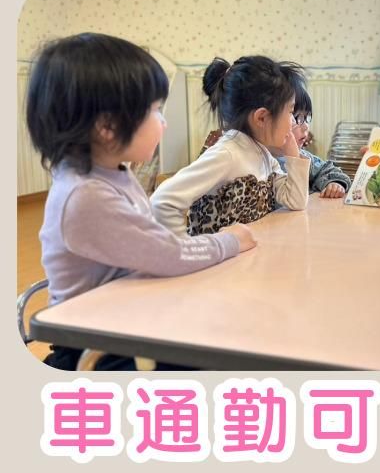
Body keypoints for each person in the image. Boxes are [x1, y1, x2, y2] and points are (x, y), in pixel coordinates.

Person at [25, 32, 256, 370]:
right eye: (155, 111)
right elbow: (168, 254)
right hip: (97, 346)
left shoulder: (112, 173)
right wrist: (229, 241)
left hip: (128, 318)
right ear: (107, 126)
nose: (164, 122)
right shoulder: (85, 195)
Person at [151, 56, 310, 237]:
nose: (293, 122)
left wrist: (294, 156)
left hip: (251, 253)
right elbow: (162, 201)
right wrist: (186, 248)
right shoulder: (227, 154)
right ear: (261, 118)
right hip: (219, 256)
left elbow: (296, 201)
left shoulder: (264, 154)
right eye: (290, 112)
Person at [274, 84, 351, 199]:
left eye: (307, 118)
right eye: (298, 118)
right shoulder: (261, 164)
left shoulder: (304, 156)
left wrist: (334, 184)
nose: (306, 127)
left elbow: (328, 170)